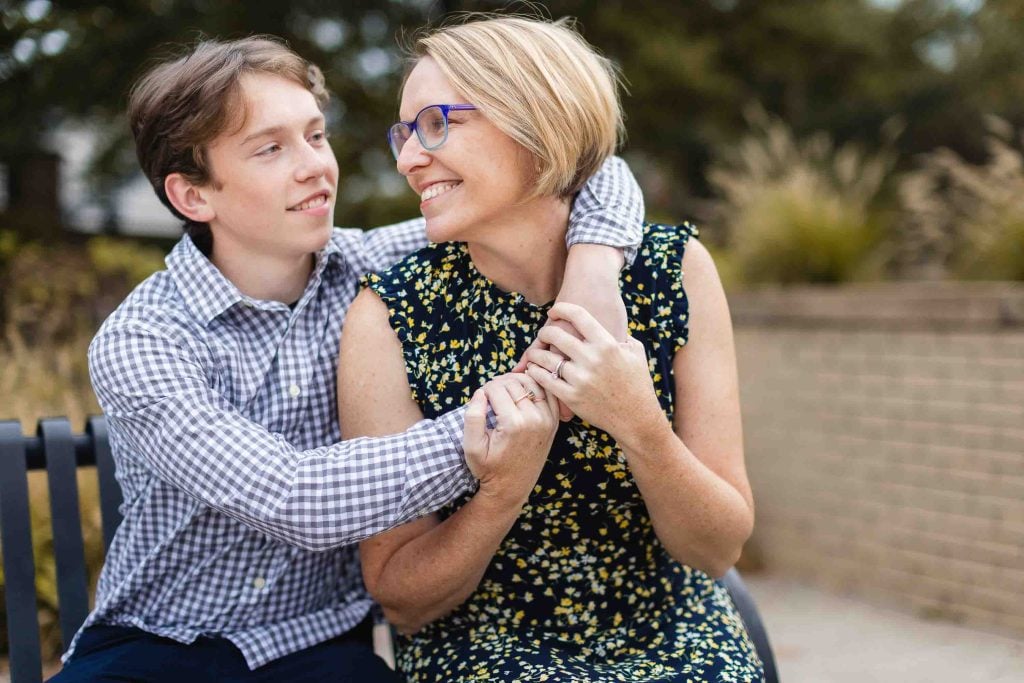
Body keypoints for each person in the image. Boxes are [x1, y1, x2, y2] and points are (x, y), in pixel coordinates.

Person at [48, 35, 646, 682]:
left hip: (321, 646)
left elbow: (585, 168)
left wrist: (592, 271)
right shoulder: (144, 340)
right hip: (161, 644)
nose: (314, 166)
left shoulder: (369, 268)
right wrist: (503, 423)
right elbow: (294, 496)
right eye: (271, 148)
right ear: (194, 196)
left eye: (315, 135)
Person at [340, 15, 764, 682]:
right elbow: (399, 594)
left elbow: (717, 549)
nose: (406, 158)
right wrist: (500, 493)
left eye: (433, 125)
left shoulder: (673, 270)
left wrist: (638, 421)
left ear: (534, 121)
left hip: (672, 629)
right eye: (404, 132)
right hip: (484, 646)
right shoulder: (388, 313)